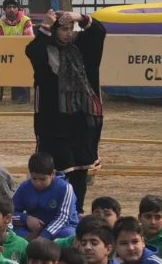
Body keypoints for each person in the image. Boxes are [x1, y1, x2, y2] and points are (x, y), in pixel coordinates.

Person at [24, 11, 106, 196]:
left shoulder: (81, 46)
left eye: (71, 28)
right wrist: (45, 25)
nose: (69, 33)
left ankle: (77, 209)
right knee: (57, 170)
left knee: (80, 169)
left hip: (81, 119)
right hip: (55, 123)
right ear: (54, 31)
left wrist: (79, 17)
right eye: (63, 29)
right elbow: (33, 51)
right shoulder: (46, 49)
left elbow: (99, 32)